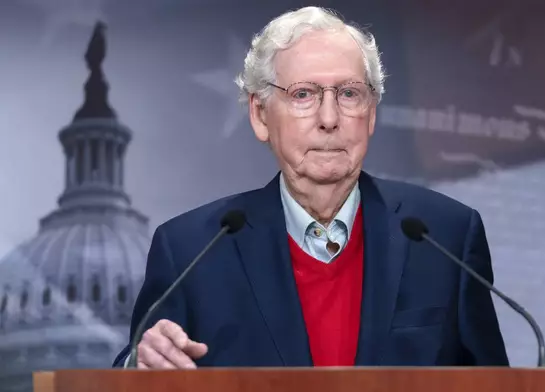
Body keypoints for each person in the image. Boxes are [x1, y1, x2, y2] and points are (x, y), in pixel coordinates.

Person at [113, 6, 509, 369]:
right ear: (260, 114)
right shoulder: (191, 250)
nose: (329, 118)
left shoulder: (444, 236)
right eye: (303, 94)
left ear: (371, 114)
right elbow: (134, 371)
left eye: (350, 94)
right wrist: (139, 365)